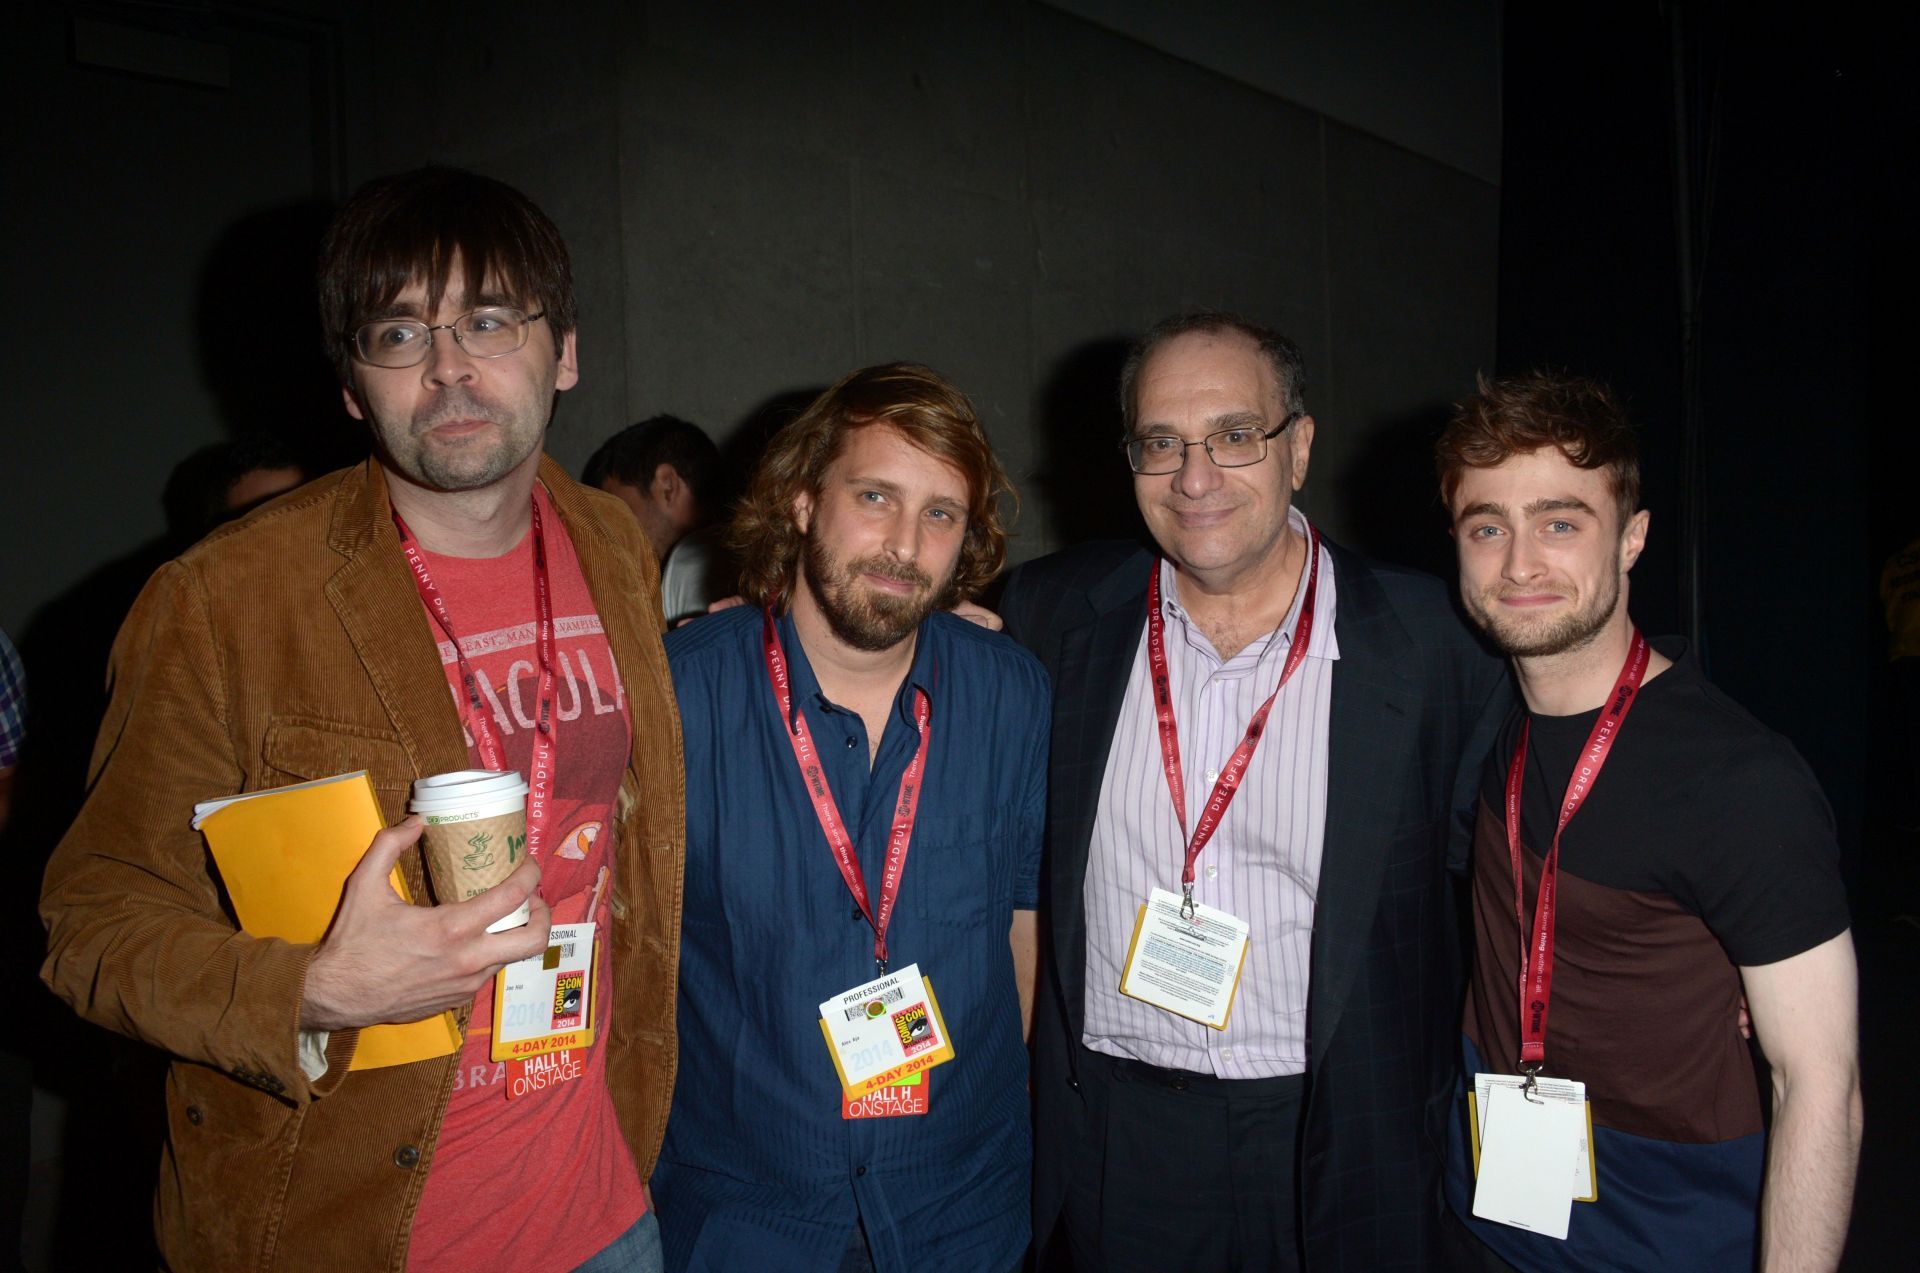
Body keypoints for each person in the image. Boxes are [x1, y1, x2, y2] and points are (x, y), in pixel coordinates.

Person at [38, 166, 683, 1272]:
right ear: (350, 385)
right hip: (344, 1226)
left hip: (601, 1214)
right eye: (397, 334)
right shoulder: (223, 601)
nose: (449, 369)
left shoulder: (610, 544)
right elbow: (87, 925)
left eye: (488, 319)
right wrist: (315, 988)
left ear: (563, 350)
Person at [999, 311, 1510, 1271]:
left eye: (1236, 435)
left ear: (1299, 446)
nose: (1196, 477)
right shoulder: (1055, 614)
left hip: (1332, 1129)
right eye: (1162, 443)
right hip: (1118, 1131)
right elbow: (905, 639)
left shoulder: (1437, 643)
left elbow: (1541, 821)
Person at [1433, 370, 1861, 1272]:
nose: (1519, 563)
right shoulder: (1485, 715)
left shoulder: (1740, 779)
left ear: (1632, 539)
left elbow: (1822, 1087)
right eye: (1487, 527)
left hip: (1674, 1228)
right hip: (1491, 1211)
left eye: (1560, 522)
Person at [654, 363, 1046, 1272]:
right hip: (747, 1219)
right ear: (800, 501)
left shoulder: (1012, 694)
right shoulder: (678, 696)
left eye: (941, 513)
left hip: (962, 1212)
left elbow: (1023, 930)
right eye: (875, 496)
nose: (904, 545)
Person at [584, 414, 736, 623]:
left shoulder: (689, 562)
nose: (609, 534)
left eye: (615, 513)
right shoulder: (752, 554)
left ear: (668, 486)